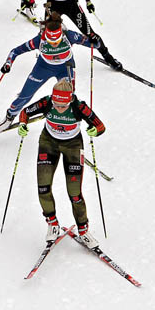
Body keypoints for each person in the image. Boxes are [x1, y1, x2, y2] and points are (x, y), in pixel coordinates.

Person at [18, 79, 106, 247]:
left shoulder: (79, 107)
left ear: (70, 100)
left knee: (74, 193)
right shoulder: (47, 102)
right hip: (48, 143)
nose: (59, 108)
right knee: (43, 187)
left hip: (72, 146)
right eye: (56, 104)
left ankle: (83, 231)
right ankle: (52, 224)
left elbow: (100, 126)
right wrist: (22, 124)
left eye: (63, 105)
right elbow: (25, 112)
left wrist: (95, 131)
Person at [0, 13, 97, 130]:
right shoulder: (39, 40)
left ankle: (64, 118)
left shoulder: (70, 36)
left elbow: (95, 43)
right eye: (50, 41)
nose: (54, 44)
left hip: (65, 68)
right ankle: (9, 117)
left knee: (69, 96)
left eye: (57, 41)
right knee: (25, 95)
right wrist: (8, 64)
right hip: (43, 68)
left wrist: (94, 39)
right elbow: (16, 51)